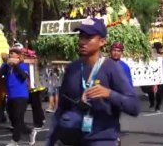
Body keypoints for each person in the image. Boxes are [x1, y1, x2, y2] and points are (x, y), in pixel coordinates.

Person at [47, 18, 140, 146]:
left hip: (102, 139)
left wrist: (109, 94)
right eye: (81, 37)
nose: (82, 42)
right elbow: (62, 108)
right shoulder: (72, 68)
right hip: (73, 139)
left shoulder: (111, 68)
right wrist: (50, 141)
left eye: (88, 37)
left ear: (102, 41)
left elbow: (134, 106)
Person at [0, 48, 37, 146]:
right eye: (10, 53)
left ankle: (14, 141)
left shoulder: (22, 65)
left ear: (18, 56)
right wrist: (6, 64)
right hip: (10, 96)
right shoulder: (7, 65)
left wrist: (15, 65)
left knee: (18, 118)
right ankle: (30, 131)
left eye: (13, 53)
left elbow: (23, 76)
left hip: (21, 95)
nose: (10, 55)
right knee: (14, 120)